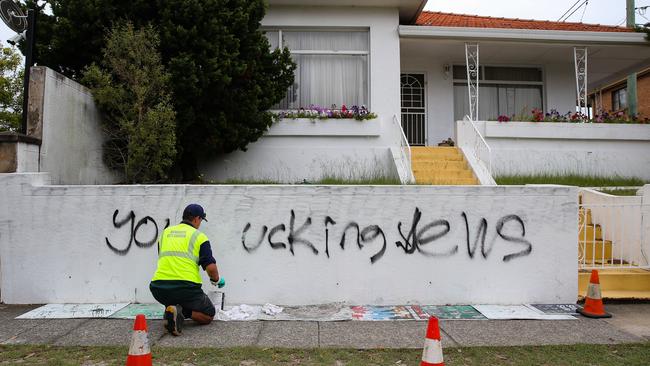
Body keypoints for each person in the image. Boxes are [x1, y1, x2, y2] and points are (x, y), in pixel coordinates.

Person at [150, 203, 225, 336]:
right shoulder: (199, 236)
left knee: (173, 297)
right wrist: (216, 279)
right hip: (186, 288)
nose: (200, 223)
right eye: (201, 220)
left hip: (158, 288)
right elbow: (211, 267)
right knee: (208, 314)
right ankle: (182, 312)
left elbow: (162, 258)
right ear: (196, 218)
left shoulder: (165, 233)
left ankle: (171, 310)